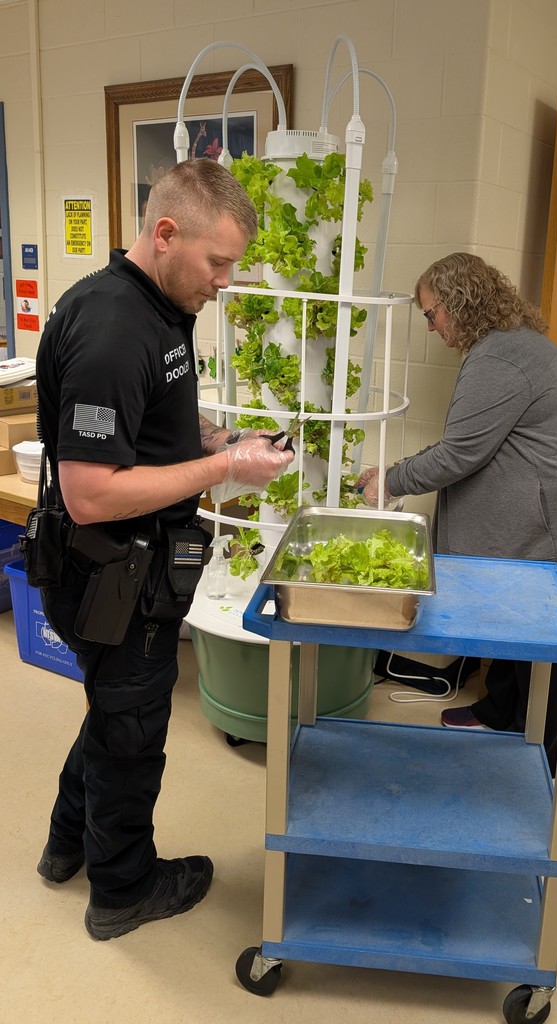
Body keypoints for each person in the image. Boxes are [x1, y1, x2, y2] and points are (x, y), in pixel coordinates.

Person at [34, 159, 294, 940]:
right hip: (111, 573)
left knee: (115, 709)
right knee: (132, 732)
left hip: (135, 567)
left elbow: (148, 428)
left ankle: (64, 845)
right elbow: (90, 493)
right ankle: (122, 890)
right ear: (166, 233)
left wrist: (222, 439)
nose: (224, 282)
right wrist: (224, 469)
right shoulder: (112, 329)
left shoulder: (157, 310)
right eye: (218, 263)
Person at [357, 252, 557, 775]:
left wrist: (389, 480)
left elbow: (460, 453)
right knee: (511, 621)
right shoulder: (512, 346)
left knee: (544, 645)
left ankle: (543, 770)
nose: (431, 326)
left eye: (431, 314)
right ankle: (499, 713)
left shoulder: (499, 360)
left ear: (458, 304)